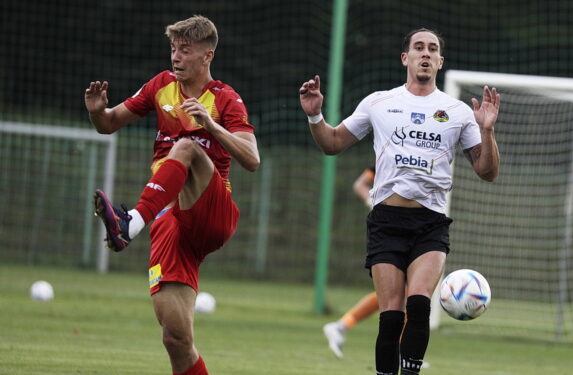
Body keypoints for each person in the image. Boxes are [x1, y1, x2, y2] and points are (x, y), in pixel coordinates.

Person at [300, 28, 500, 375]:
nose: (426, 53)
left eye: (433, 49)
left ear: (440, 61)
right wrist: (315, 116)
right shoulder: (379, 102)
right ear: (405, 58)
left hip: (430, 224)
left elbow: (487, 171)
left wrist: (487, 130)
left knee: (418, 304)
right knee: (391, 314)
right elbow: (332, 143)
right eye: (418, 47)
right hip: (387, 222)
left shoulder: (457, 112)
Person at [85, 15, 259, 375]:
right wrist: (96, 112)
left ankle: (129, 224)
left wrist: (211, 126)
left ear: (207, 55)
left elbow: (252, 159)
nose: (176, 57)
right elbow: (108, 125)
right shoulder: (160, 86)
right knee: (175, 339)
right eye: (173, 48)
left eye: (186, 50)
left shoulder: (225, 99)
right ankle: (131, 224)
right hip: (168, 220)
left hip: (212, 211)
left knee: (187, 147)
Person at [323, 167, 378, 359]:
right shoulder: (389, 151)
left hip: (412, 228)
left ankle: (340, 326)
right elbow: (360, 184)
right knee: (398, 291)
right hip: (388, 228)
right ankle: (404, 352)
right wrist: (373, 203)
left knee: (396, 292)